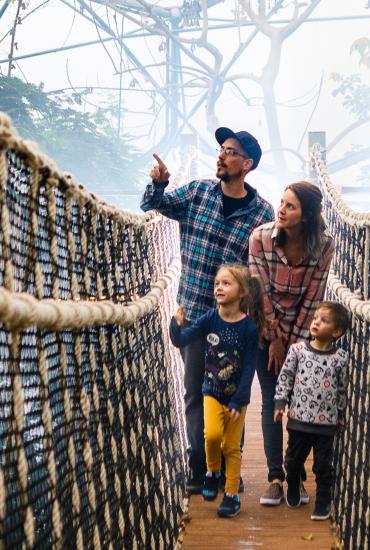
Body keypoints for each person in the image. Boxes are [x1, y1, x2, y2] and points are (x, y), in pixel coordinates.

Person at [142, 127, 275, 495]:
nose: (221, 155)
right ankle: (201, 471)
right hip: (196, 315)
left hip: (234, 322)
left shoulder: (263, 213)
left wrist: (265, 325)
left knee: (232, 396)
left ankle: (229, 468)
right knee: (196, 393)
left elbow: (263, 270)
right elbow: (154, 206)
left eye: (230, 151)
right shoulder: (198, 191)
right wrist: (159, 184)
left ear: (246, 164)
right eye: (220, 149)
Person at [246, 181, 334, 505]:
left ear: (307, 216)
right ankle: (275, 477)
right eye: (281, 202)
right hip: (261, 329)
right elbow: (259, 293)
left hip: (301, 334)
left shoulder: (324, 246)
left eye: (290, 206)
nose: (280, 210)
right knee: (272, 402)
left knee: (300, 403)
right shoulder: (259, 238)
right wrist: (273, 339)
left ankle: (296, 470)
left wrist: (295, 346)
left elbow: (313, 299)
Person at [168, 265, 266, 518]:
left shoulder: (249, 328)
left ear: (242, 292)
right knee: (211, 436)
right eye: (217, 284)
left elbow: (249, 369)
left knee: (231, 447)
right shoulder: (210, 317)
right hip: (211, 391)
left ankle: (231, 495)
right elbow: (182, 339)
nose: (219, 288)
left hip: (235, 399)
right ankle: (212, 472)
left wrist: (240, 399)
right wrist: (175, 325)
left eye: (226, 284)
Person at [272, 301, 352, 521]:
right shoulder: (298, 351)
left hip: (326, 424)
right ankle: (294, 484)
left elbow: (342, 389)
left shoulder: (340, 358)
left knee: (323, 466)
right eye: (316, 317)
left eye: (324, 320)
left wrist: (341, 413)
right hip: (299, 419)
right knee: (292, 460)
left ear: (336, 332)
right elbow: (286, 378)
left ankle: (323, 501)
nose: (316, 322)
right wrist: (280, 404)